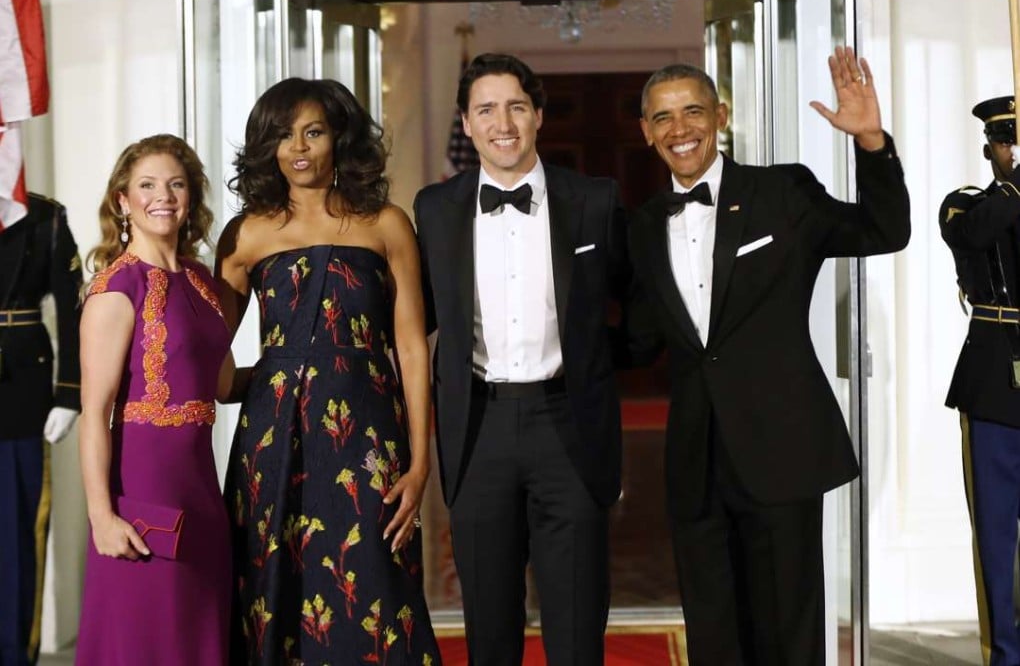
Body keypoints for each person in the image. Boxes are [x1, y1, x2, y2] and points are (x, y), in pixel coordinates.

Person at [625, 46, 910, 664]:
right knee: (714, 633)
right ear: (646, 132)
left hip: (781, 449)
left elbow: (884, 232)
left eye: (694, 111)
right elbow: (639, 341)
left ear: (721, 116)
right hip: (696, 461)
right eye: (664, 118)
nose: (681, 130)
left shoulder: (782, 190)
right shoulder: (642, 226)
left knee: (789, 632)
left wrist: (872, 145)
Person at [414, 53, 630, 665]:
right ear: (466, 121)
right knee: (488, 625)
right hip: (476, 428)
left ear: (537, 114)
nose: (501, 122)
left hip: (570, 423)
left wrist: (599, 362)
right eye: (485, 109)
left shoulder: (594, 199)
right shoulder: (433, 209)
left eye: (515, 106)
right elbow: (420, 317)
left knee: (578, 622)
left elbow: (638, 302)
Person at [217, 77, 440, 665]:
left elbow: (412, 350)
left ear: (338, 138)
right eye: (284, 135)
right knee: (273, 589)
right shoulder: (247, 234)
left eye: (313, 131)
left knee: (375, 587)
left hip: (366, 436)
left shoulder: (386, 224)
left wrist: (419, 465)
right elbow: (206, 350)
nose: (299, 147)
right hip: (272, 442)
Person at [75, 134, 234, 665]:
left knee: (197, 638)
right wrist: (101, 516)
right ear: (123, 200)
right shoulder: (116, 288)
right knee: (147, 639)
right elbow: (94, 413)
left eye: (175, 184)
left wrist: (313, 368)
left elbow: (224, 384)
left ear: (190, 197)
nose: (162, 196)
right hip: (144, 490)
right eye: (146, 185)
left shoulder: (203, 282)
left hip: (202, 490)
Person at [941, 95, 1020, 666]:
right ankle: (1006, 651)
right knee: (997, 530)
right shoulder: (966, 203)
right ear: (988, 147)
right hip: (996, 377)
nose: (1013, 151)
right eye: (1006, 140)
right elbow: (980, 232)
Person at [0, 193, 81, 666]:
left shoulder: (45, 217)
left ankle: (14, 653)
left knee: (17, 534)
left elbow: (72, 309)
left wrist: (69, 392)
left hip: (21, 393)